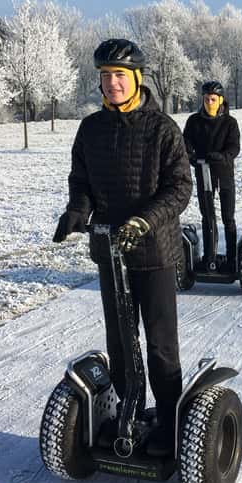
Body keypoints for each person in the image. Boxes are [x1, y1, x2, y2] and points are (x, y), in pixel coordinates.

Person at [52, 38, 192, 457]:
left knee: (160, 345)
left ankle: (168, 423)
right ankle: (129, 414)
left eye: (119, 75)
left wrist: (144, 220)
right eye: (105, 76)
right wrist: (77, 211)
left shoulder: (162, 129)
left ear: (136, 78)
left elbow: (179, 188)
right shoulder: (91, 129)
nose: (112, 83)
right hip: (109, 252)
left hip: (154, 252)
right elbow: (81, 181)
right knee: (120, 342)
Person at [182, 80, 241, 273]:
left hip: (224, 172)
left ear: (221, 100)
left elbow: (234, 147)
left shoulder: (230, 123)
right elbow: (185, 143)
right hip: (203, 171)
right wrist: (190, 156)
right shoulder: (194, 121)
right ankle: (209, 258)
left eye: (213, 99)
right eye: (206, 99)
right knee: (207, 216)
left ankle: (231, 259)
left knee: (227, 217)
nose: (209, 103)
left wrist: (222, 157)